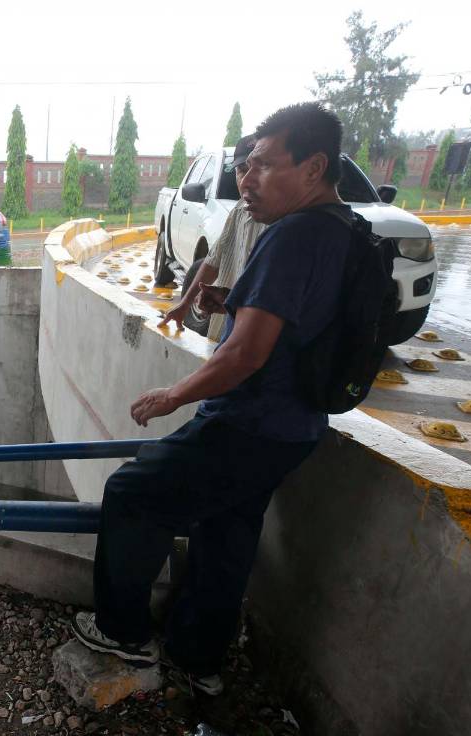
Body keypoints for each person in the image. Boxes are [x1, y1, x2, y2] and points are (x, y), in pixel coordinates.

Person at [72, 102, 352, 695]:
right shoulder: (343, 229)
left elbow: (245, 355)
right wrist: (231, 306)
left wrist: (174, 394)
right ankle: (198, 660)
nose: (247, 179)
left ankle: (122, 632)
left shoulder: (294, 236)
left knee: (132, 493)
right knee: (227, 533)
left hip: (251, 420)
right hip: (297, 427)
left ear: (313, 166)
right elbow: (299, 324)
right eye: (245, 166)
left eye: (263, 165)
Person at [162, 135, 267, 342]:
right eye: (242, 171)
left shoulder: (282, 226)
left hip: (249, 345)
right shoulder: (238, 210)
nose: (246, 181)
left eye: (261, 169)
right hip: (226, 334)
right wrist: (184, 305)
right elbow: (214, 260)